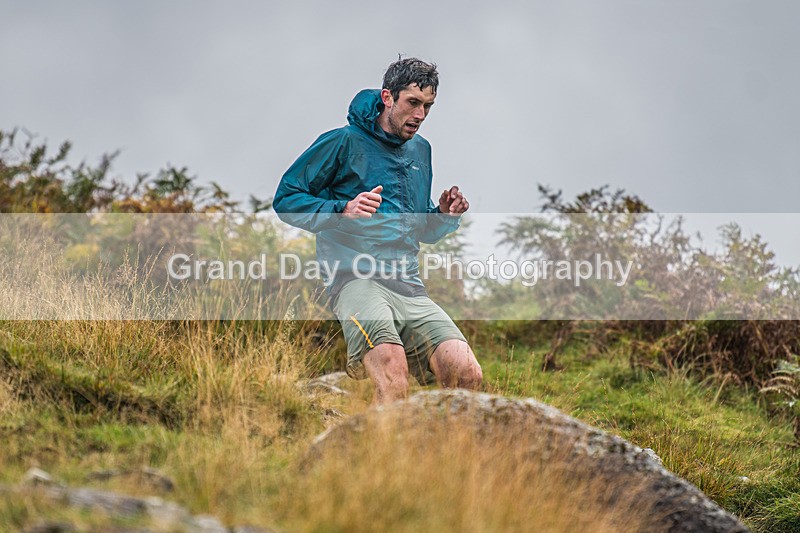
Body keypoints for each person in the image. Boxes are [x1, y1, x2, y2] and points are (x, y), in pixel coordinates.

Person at [273, 57, 482, 403]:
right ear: (388, 97)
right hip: (356, 281)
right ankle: (382, 455)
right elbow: (286, 198)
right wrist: (342, 209)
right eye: (412, 103)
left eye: (428, 106)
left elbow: (421, 230)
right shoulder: (342, 142)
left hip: (409, 286)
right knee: (393, 377)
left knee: (466, 374)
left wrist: (443, 214)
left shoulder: (421, 151)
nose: (420, 115)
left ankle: (449, 456)